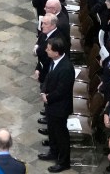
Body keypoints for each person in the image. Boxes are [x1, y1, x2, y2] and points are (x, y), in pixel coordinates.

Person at [38, 36, 73, 173]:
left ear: (57, 52)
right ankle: (53, 152)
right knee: (52, 131)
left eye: (48, 49)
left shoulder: (66, 68)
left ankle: (64, 162)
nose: (46, 50)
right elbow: (48, 77)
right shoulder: (54, 61)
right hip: (51, 104)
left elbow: (62, 90)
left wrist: (48, 97)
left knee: (61, 135)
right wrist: (43, 91)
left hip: (59, 107)